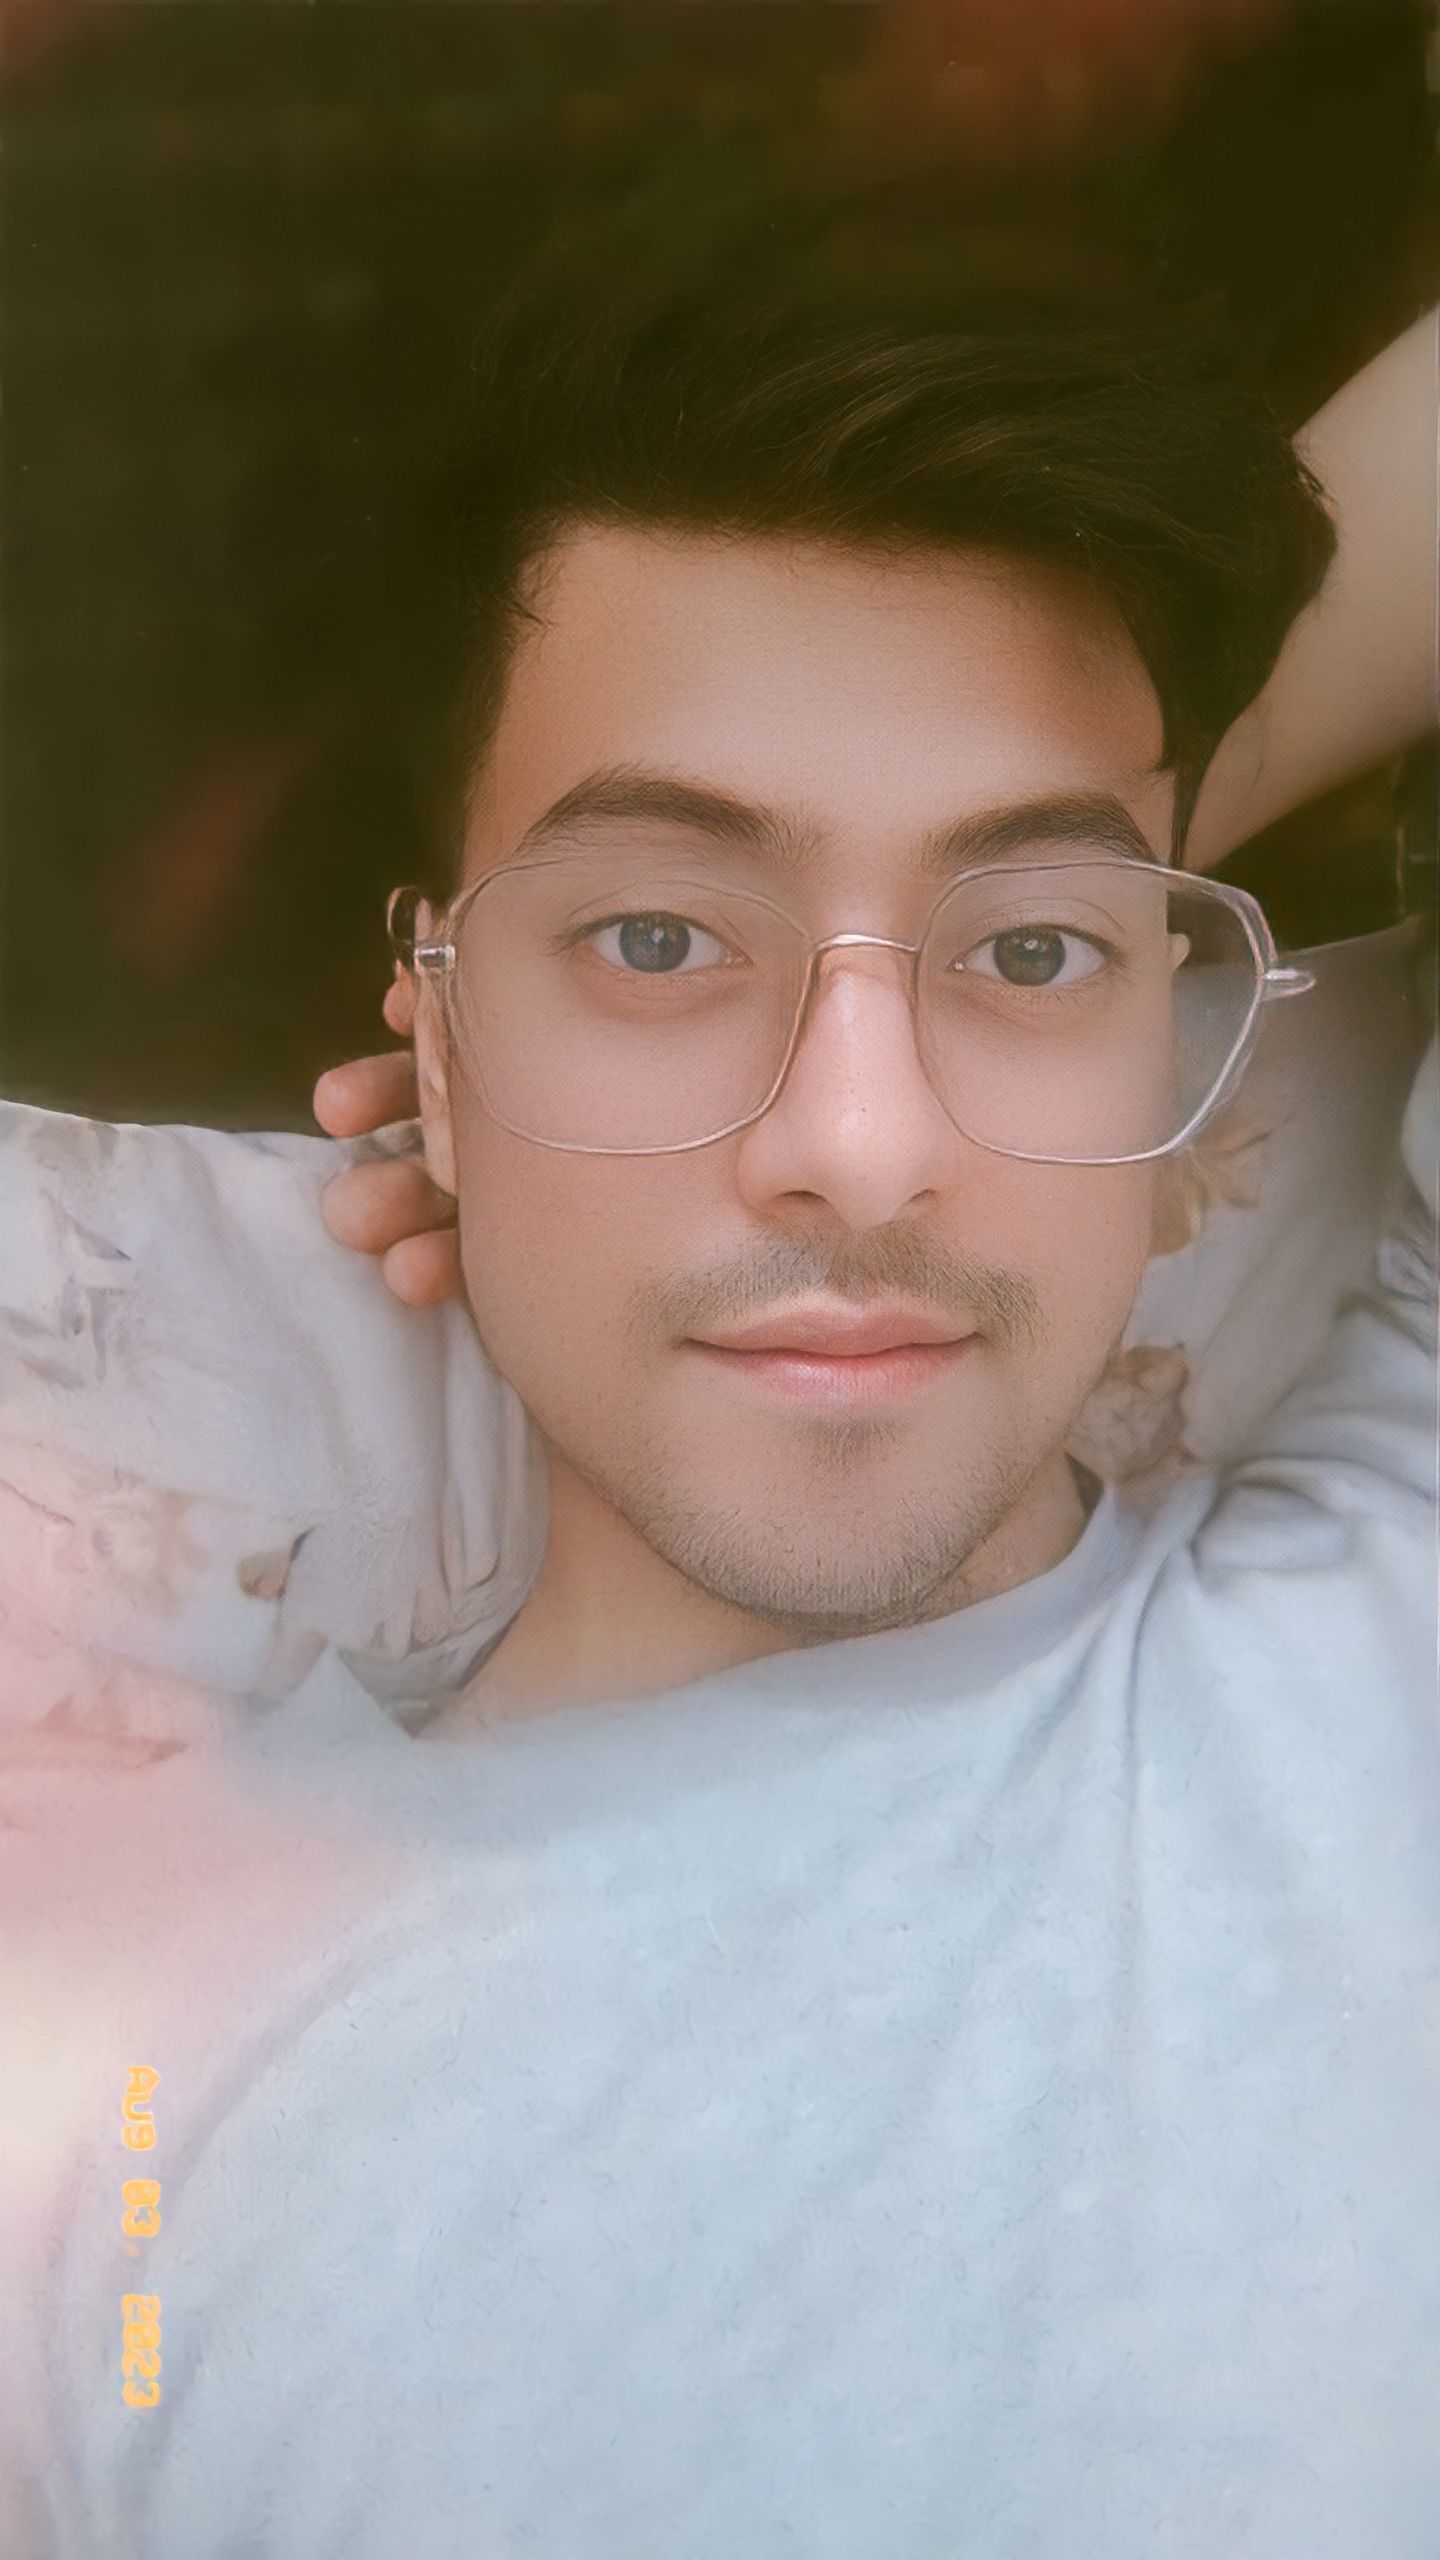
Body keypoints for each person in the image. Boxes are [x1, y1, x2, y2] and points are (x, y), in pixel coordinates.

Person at [8, 268, 1439, 2559]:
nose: (859, 1147)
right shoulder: (107, 2088)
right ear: (437, 1050)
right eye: (659, 939)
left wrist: (1172, 795)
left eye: (1037, 956)